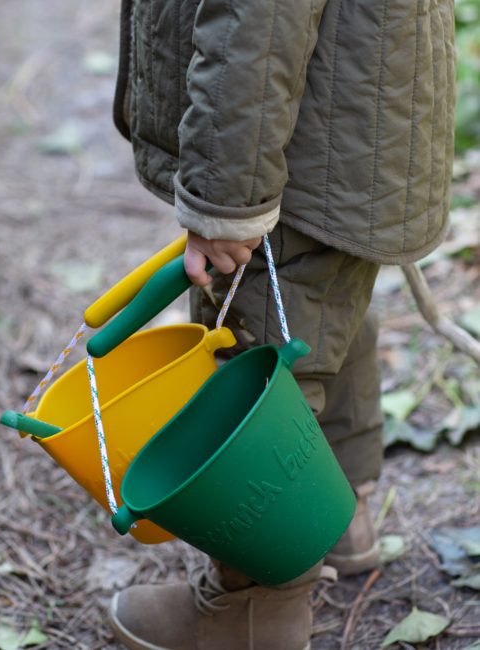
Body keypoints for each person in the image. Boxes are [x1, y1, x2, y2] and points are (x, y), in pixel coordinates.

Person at [107, 0, 456, 649]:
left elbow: (256, 24)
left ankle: (249, 612)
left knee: (255, 353)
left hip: (293, 150)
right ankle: (340, 519)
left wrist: (226, 200)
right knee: (321, 313)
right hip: (349, 119)